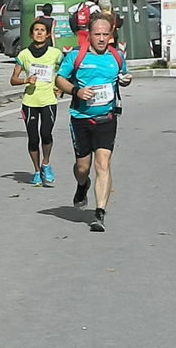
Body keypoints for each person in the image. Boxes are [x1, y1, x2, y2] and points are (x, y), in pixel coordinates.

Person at [55, 13, 132, 232]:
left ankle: (99, 213)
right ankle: (82, 185)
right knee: (83, 167)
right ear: (88, 34)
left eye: (105, 34)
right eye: (96, 34)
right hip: (81, 119)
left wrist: (127, 80)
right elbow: (59, 79)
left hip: (107, 118)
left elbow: (124, 77)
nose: (100, 38)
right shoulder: (76, 57)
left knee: (103, 164)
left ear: (111, 35)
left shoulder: (116, 57)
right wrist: (77, 91)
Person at [10, 21, 62, 187]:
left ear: (47, 34)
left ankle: (46, 163)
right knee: (33, 138)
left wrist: (60, 87)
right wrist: (26, 80)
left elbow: (63, 73)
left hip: (48, 100)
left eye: (42, 30)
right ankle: (37, 171)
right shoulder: (24, 55)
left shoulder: (56, 54)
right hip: (30, 102)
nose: (39, 33)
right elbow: (13, 80)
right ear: (31, 34)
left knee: (46, 134)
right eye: (36, 30)